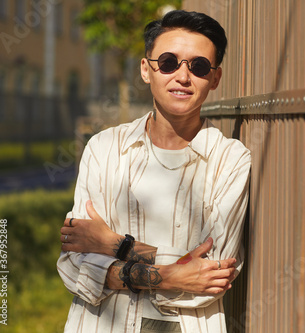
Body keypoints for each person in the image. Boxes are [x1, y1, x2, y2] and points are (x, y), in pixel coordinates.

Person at [57, 10, 251, 333]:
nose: (183, 76)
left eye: (199, 66)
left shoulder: (230, 161)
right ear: (146, 70)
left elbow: (213, 272)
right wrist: (173, 274)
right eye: (169, 62)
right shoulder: (104, 150)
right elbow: (73, 263)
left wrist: (115, 245)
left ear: (215, 78)